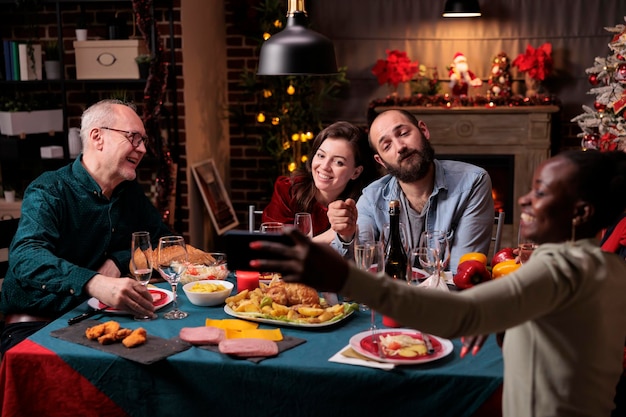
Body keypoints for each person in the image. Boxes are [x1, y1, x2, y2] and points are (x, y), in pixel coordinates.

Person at [250, 149, 626, 417]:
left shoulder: (562, 270)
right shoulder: (603, 265)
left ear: (581, 212)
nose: (525, 199)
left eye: (542, 193)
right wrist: (506, 316)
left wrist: (344, 276)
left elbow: (461, 315)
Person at [0, 99, 172, 356]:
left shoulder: (127, 192)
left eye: (144, 140)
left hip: (95, 316)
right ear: (97, 137)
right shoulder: (49, 190)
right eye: (134, 137)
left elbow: (165, 241)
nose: (143, 149)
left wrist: (120, 260)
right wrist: (94, 282)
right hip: (38, 323)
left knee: (167, 351)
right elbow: (26, 257)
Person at [328, 109, 494, 273]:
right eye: (387, 146)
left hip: (446, 299)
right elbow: (357, 270)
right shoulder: (371, 198)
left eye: (403, 133)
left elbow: (461, 272)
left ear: (423, 130)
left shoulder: (472, 182)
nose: (400, 147)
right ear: (381, 161)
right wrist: (346, 236)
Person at [262, 121, 378, 244]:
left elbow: (365, 254)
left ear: (356, 172)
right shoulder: (289, 190)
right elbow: (275, 247)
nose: (324, 167)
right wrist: (331, 234)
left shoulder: (365, 203)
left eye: (338, 162)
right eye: (321, 156)